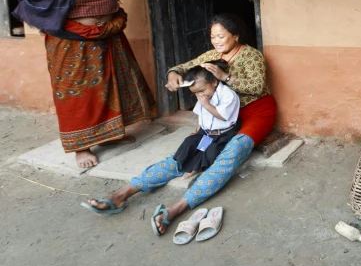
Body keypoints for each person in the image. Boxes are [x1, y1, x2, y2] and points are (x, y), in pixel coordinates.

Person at [84, 14, 277, 237]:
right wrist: (174, 74)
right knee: (183, 154)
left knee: (231, 154)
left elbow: (257, 86)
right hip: (217, 119)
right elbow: (183, 66)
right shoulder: (211, 56)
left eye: (221, 36)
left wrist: (224, 77)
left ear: (235, 36)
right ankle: (120, 195)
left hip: (255, 112)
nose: (216, 41)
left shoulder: (252, 56)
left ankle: (177, 209)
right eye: (212, 36)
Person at [13, 0, 154, 169]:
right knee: (77, 95)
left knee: (112, 88)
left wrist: (116, 18)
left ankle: (110, 135)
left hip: (110, 38)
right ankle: (81, 146)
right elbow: (28, 4)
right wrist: (78, 28)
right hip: (71, 44)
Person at [173, 60, 241, 177]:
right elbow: (201, 114)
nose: (199, 95)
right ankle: (188, 165)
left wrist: (207, 105)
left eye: (201, 90)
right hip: (207, 132)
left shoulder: (228, 95)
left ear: (214, 82)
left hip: (223, 133)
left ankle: (196, 169)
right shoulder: (204, 96)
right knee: (193, 144)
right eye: (195, 93)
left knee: (211, 151)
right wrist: (197, 129)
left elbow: (223, 116)